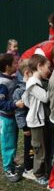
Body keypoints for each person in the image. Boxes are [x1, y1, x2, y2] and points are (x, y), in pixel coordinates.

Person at [24, 54, 51, 185]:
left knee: (43, 147)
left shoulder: (38, 82)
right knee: (39, 148)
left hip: (40, 120)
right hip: (36, 122)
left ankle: (43, 171)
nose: (49, 70)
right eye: (48, 67)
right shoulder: (33, 83)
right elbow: (45, 97)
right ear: (39, 67)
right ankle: (38, 174)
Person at [0, 53, 24, 182]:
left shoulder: (12, 78)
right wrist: (15, 104)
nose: (17, 65)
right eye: (15, 63)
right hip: (6, 119)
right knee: (7, 143)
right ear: (7, 66)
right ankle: (8, 169)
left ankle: (12, 162)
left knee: (13, 141)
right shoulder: (2, 83)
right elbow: (1, 103)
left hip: (12, 117)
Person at [12, 59, 35, 180]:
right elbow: (19, 112)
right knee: (29, 148)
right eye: (34, 71)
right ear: (27, 73)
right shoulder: (20, 90)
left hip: (36, 124)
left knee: (35, 146)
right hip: (28, 127)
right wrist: (24, 127)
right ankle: (28, 169)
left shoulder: (34, 86)